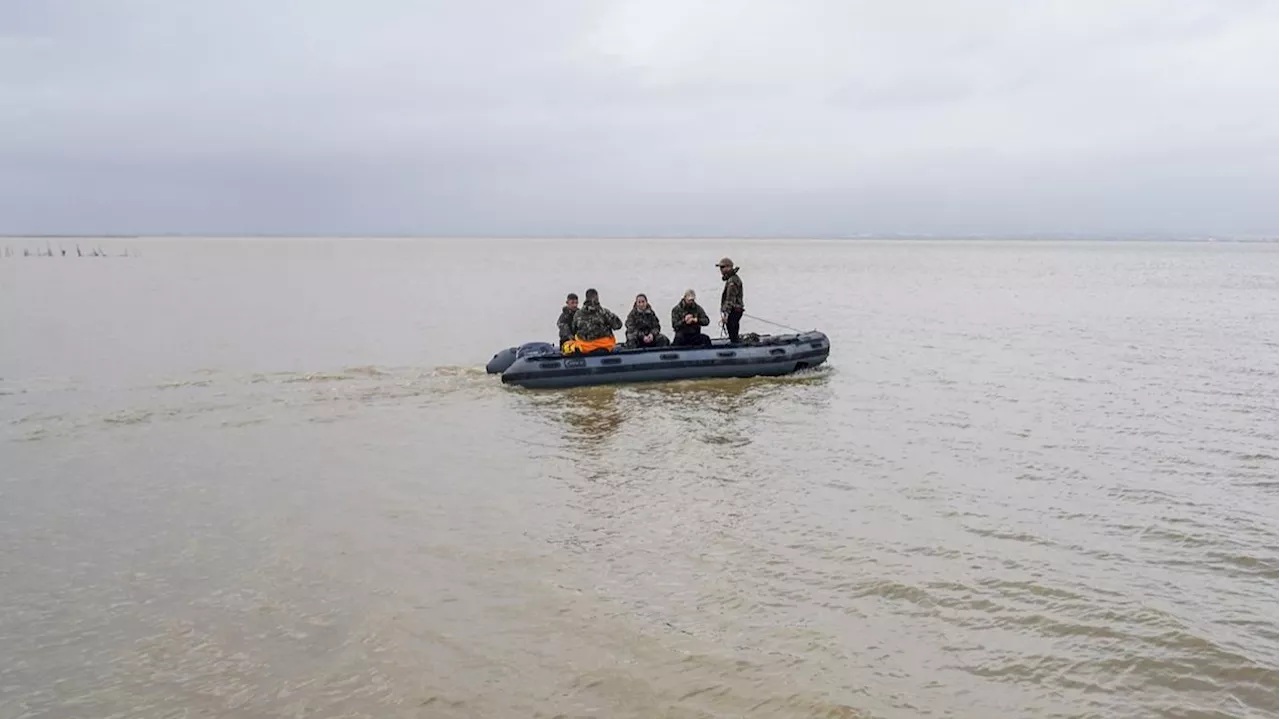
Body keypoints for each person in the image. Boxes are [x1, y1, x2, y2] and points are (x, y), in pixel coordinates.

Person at [565, 288, 623, 354]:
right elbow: (618, 325)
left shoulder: (578, 314)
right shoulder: (604, 312)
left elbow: (574, 329)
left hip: (584, 347)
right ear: (597, 298)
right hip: (603, 346)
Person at [717, 256, 745, 343]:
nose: (720, 270)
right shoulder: (731, 279)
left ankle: (735, 344)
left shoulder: (732, 281)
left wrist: (726, 314)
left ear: (729, 267)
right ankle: (735, 342)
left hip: (734, 310)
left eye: (722, 267)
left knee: (732, 328)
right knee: (733, 329)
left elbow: (730, 299)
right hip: (735, 309)